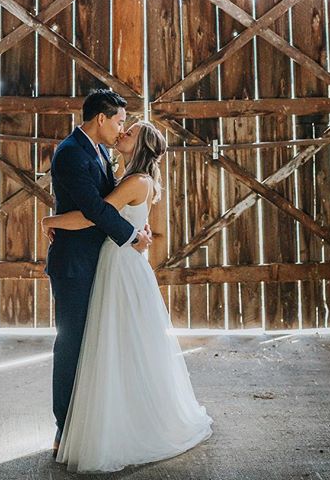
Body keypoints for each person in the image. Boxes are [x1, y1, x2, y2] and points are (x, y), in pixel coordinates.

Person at [43, 120, 212, 473]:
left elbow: (95, 216)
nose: (122, 133)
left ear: (141, 146)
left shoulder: (136, 182)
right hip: (116, 264)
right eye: (123, 125)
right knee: (119, 346)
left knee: (119, 346)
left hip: (120, 268)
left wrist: (50, 221)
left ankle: (125, 427)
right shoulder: (125, 175)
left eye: (130, 131)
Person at [46, 90, 153, 458]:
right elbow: (93, 208)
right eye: (120, 121)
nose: (122, 128)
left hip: (100, 263)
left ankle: (96, 423)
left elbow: (105, 203)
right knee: (72, 345)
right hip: (75, 266)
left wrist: (137, 227)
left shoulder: (98, 151)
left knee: (98, 347)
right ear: (102, 119)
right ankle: (64, 429)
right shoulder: (72, 152)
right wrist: (132, 235)